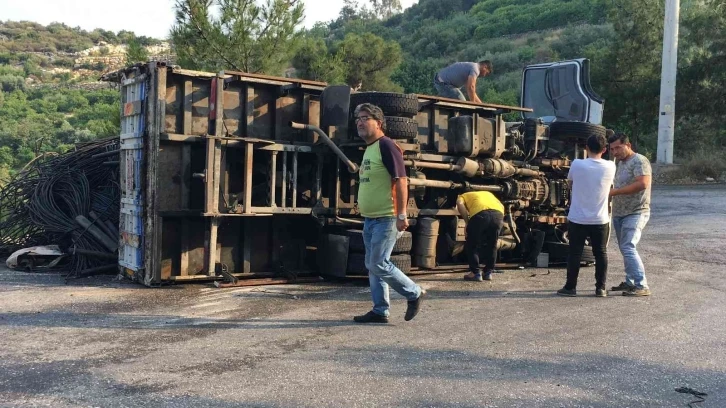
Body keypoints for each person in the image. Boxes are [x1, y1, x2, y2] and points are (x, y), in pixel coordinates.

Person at [352, 103, 425, 324]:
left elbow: (401, 180)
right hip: (370, 219)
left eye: (365, 118)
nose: (360, 122)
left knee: (378, 264)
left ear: (379, 123)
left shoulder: (387, 146)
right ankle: (380, 310)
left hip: (387, 218)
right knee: (373, 266)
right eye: (358, 118)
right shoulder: (370, 148)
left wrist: (401, 214)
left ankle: (414, 292)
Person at [556, 134, 616, 297]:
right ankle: (600, 288)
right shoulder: (610, 166)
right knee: (600, 253)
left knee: (575, 253)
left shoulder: (577, 164)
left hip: (578, 217)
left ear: (586, 148)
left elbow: (570, 183)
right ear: (604, 150)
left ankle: (570, 287)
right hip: (600, 218)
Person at [608, 132, 653, 296]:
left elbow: (642, 183)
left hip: (636, 212)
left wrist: (615, 192)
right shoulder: (621, 163)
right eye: (612, 149)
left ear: (628, 146)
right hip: (620, 213)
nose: (615, 152)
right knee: (624, 248)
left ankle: (642, 285)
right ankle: (630, 282)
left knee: (628, 246)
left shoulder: (639, 160)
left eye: (618, 148)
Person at [456, 191, 504, 282]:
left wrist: (467, 221)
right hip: (498, 215)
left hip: (480, 215)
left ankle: (475, 273)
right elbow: (501, 206)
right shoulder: (488, 193)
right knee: (492, 244)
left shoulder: (462, 195)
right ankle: (488, 272)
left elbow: (459, 204)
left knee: (472, 244)